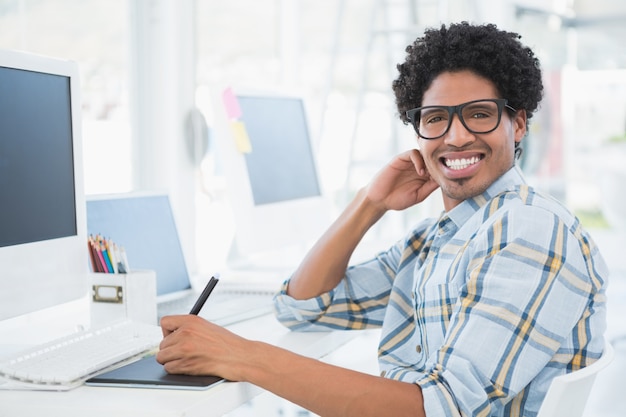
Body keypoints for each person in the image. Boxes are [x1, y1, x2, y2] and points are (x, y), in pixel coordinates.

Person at [157, 22, 608, 417]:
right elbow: (302, 306)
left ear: (520, 123)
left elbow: (437, 408)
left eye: (479, 114)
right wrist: (368, 204)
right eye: (435, 119)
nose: (456, 136)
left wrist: (241, 356)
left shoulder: (528, 229)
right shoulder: (442, 237)